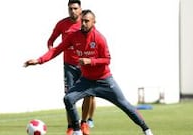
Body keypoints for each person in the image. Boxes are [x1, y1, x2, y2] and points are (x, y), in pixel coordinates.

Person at [24, 9, 153, 135]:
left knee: (125, 105)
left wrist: (90, 61)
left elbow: (107, 60)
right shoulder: (74, 36)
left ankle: (146, 129)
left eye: (87, 21)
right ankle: (77, 130)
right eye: (82, 21)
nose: (84, 24)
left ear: (93, 22)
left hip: (104, 80)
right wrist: (39, 60)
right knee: (68, 99)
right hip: (86, 81)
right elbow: (57, 49)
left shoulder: (99, 38)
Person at [46, 0, 95, 134]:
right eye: (70, 9)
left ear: (80, 9)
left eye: (75, 8)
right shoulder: (62, 24)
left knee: (89, 94)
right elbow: (51, 41)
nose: (72, 11)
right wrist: (51, 51)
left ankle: (84, 123)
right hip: (69, 66)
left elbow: (94, 41)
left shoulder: (86, 23)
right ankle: (71, 126)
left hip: (85, 66)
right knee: (69, 96)